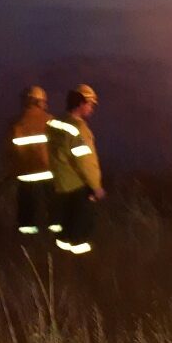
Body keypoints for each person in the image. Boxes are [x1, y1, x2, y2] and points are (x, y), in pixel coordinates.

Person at [46, 84, 104, 255]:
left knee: (64, 225)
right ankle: (80, 260)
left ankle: (61, 254)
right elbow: (85, 162)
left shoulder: (55, 123)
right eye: (90, 104)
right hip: (77, 185)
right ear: (81, 103)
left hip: (59, 182)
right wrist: (96, 186)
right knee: (80, 228)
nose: (92, 109)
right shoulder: (79, 129)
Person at [7, 85, 60, 235]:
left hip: (25, 173)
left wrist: (12, 169)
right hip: (48, 171)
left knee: (26, 205)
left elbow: (9, 151)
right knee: (53, 205)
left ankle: (27, 233)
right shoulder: (50, 121)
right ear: (38, 102)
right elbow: (58, 147)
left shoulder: (16, 124)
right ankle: (55, 228)